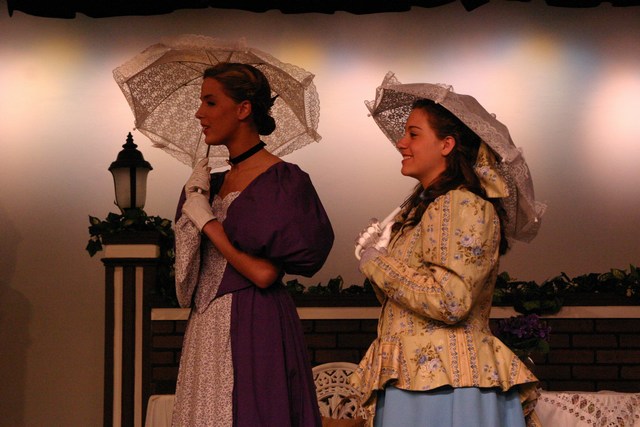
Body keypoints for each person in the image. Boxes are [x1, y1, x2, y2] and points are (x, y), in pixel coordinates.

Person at [350, 90, 542, 426]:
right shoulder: (423, 210)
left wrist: (377, 262)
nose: (401, 143)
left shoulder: (460, 204)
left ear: (447, 144)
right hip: (416, 379)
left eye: (413, 134)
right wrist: (384, 251)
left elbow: (451, 301)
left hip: (446, 384)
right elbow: (406, 304)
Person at [172, 62, 334, 427]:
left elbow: (263, 275)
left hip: (253, 321)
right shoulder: (210, 184)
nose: (199, 113)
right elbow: (185, 284)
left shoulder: (281, 181)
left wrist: (208, 223)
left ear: (243, 109)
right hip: (205, 324)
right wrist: (195, 199)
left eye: (210, 102)